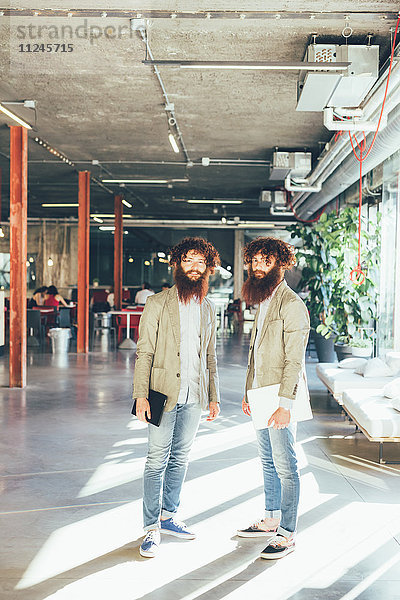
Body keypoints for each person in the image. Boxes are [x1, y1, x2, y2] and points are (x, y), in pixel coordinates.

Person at [133, 237, 221, 558]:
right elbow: (144, 353)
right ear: (177, 265)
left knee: (181, 457)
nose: (195, 267)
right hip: (159, 392)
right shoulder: (157, 303)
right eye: (189, 260)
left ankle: (169, 516)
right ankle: (150, 528)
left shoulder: (209, 308)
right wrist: (140, 395)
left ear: (207, 268)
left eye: (201, 262)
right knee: (156, 459)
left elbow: (210, 355)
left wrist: (213, 395)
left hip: (195, 394)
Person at [237, 237, 311, 560]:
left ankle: (287, 532)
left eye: (265, 261)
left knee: (286, 465)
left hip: (281, 397)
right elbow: (256, 353)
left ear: (280, 264)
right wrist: (247, 391)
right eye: (254, 261)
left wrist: (285, 406)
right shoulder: (264, 301)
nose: (258, 267)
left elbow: (294, 360)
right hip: (260, 393)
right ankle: (271, 518)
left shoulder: (293, 305)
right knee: (267, 461)